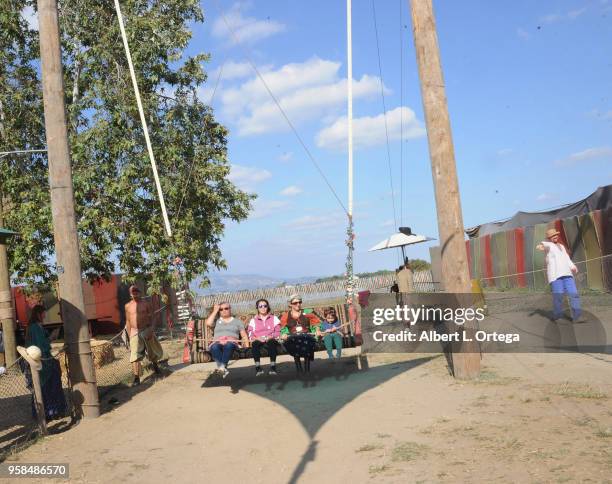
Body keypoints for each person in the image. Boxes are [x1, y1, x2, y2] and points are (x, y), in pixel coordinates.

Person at [25, 305, 66, 420]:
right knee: (47, 386)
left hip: (44, 360)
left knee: (51, 384)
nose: (45, 315)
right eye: (43, 312)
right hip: (42, 362)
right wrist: (51, 337)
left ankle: (53, 412)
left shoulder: (37, 327)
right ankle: (49, 413)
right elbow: (41, 345)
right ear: (38, 314)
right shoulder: (35, 328)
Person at [536, 228, 581, 322]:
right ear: (549, 238)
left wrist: (573, 266)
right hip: (556, 276)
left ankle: (577, 316)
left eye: (555, 235)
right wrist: (540, 246)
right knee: (558, 297)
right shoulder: (549, 245)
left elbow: (567, 259)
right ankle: (557, 316)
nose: (555, 236)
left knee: (574, 294)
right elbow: (542, 246)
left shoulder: (561, 246)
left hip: (567, 274)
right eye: (552, 236)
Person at [125, 285, 164, 386]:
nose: (135, 293)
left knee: (152, 351)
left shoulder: (146, 304)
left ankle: (155, 366)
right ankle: (136, 378)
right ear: (130, 294)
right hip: (134, 332)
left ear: (140, 292)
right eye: (133, 292)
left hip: (146, 329)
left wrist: (151, 329)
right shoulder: (128, 306)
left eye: (137, 291)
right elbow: (128, 321)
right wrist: (129, 336)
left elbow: (153, 317)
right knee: (135, 356)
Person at [205, 302, 249, 378]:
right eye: (221, 309)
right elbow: (208, 323)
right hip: (217, 342)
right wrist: (215, 310)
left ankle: (221, 368)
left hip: (232, 342)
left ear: (230, 309)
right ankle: (223, 368)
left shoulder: (237, 322)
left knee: (229, 345)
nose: (224, 310)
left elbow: (244, 336)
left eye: (226, 308)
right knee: (214, 347)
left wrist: (247, 347)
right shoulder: (216, 321)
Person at [280, 295, 320, 373]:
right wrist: (284, 334)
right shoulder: (285, 316)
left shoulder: (307, 312)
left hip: (307, 335)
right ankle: (299, 368)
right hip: (292, 337)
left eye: (300, 302)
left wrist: (317, 330)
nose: (298, 304)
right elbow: (282, 328)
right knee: (293, 341)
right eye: (295, 303)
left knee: (306, 340)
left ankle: (307, 369)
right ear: (290, 304)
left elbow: (316, 323)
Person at [247, 299, 281, 376]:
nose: (263, 308)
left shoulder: (274, 318)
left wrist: (271, 336)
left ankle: (273, 367)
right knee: (255, 344)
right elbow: (250, 333)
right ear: (257, 308)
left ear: (267, 307)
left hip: (271, 338)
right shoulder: (253, 320)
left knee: (272, 342)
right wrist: (256, 338)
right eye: (260, 306)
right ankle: (258, 368)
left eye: (265, 306)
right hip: (258, 339)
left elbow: (278, 332)